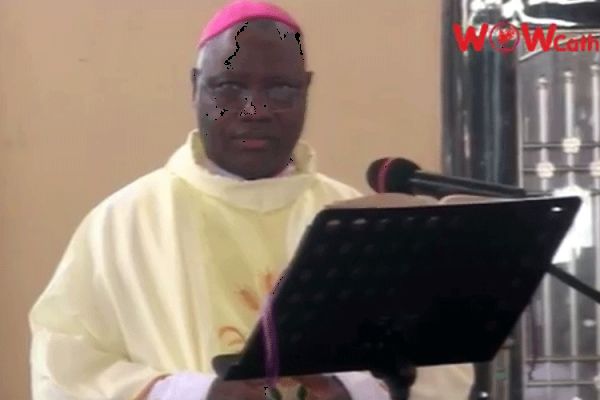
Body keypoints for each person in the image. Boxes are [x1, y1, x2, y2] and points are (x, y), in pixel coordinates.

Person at [29, 1, 474, 399]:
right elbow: (63, 369)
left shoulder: (356, 220)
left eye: (280, 89)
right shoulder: (122, 224)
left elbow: (439, 363)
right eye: (229, 86)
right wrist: (193, 393)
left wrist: (353, 389)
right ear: (195, 87)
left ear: (306, 90)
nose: (255, 109)